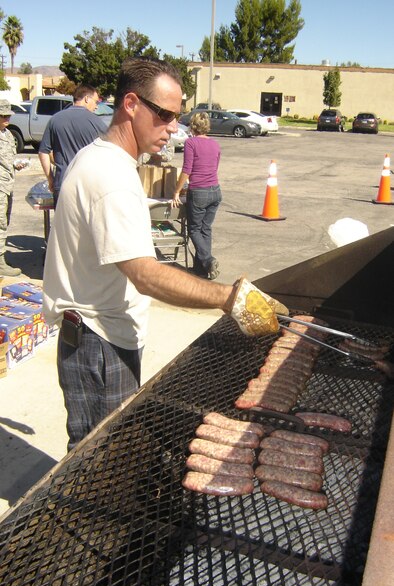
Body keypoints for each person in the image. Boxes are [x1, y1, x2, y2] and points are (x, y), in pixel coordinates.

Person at [42, 57, 288, 452]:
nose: (175, 127)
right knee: (102, 456)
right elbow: (146, 275)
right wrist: (230, 297)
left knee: (107, 451)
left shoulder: (102, 158)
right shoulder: (111, 178)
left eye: (178, 116)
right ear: (132, 104)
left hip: (102, 335)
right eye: (166, 115)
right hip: (98, 342)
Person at [38, 83, 107, 207]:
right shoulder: (96, 122)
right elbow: (111, 151)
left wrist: (51, 179)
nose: (96, 107)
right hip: (87, 185)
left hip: (62, 183)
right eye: (96, 102)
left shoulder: (55, 119)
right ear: (86, 99)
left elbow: (43, 152)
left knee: (62, 226)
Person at [172, 112, 221, 280]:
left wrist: (177, 191)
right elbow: (214, 167)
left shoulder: (191, 143)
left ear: (192, 126)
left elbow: (187, 169)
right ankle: (201, 270)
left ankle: (208, 261)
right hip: (215, 190)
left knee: (193, 229)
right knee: (205, 229)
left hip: (199, 191)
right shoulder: (215, 144)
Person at [0, 99, 28, 277]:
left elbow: (9, 158)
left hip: (7, 184)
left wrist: (17, 164)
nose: (7, 119)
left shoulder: (8, 134)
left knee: (5, 221)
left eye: (8, 115)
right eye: (3, 115)